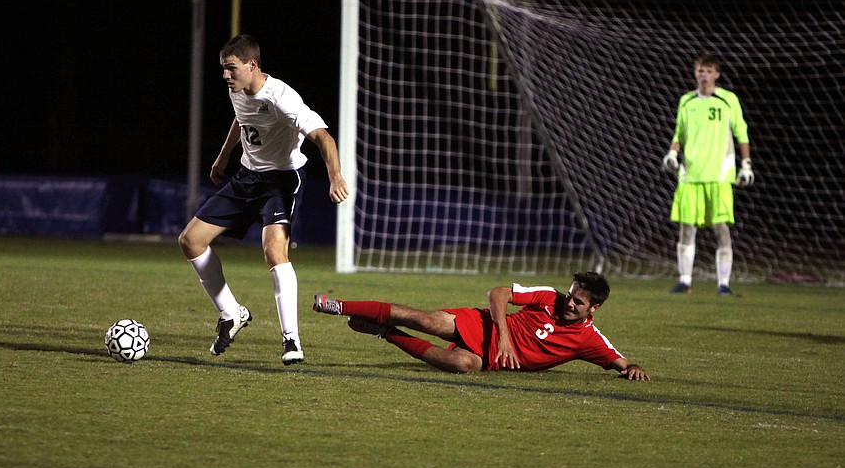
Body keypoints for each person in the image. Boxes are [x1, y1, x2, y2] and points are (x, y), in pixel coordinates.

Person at [179, 34, 349, 364]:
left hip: (281, 181)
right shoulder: (237, 89)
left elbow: (323, 138)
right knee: (190, 241)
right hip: (247, 177)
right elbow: (242, 119)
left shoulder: (283, 98)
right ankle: (232, 313)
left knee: (274, 251)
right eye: (223, 68)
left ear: (252, 65)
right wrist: (223, 157)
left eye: (231, 68)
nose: (225, 75)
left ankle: (291, 340)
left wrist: (336, 176)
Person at [312, 271, 650, 380]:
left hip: (489, 360)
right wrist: (504, 337)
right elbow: (497, 293)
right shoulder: (549, 297)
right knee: (424, 320)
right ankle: (338, 305)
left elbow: (621, 361)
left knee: (461, 365)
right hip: (483, 326)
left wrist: (633, 368)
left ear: (594, 308)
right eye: (571, 295)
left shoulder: (589, 338)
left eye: (578, 302)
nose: (570, 303)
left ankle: (387, 332)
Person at [662, 53, 753, 297]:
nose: (704, 75)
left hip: (719, 175)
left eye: (709, 71)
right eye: (701, 71)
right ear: (695, 73)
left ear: (717, 75)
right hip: (690, 174)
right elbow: (680, 133)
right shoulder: (686, 101)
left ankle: (723, 284)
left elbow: (741, 132)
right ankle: (685, 281)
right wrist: (672, 153)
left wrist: (746, 164)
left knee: (721, 228)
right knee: (686, 228)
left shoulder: (728, 99)